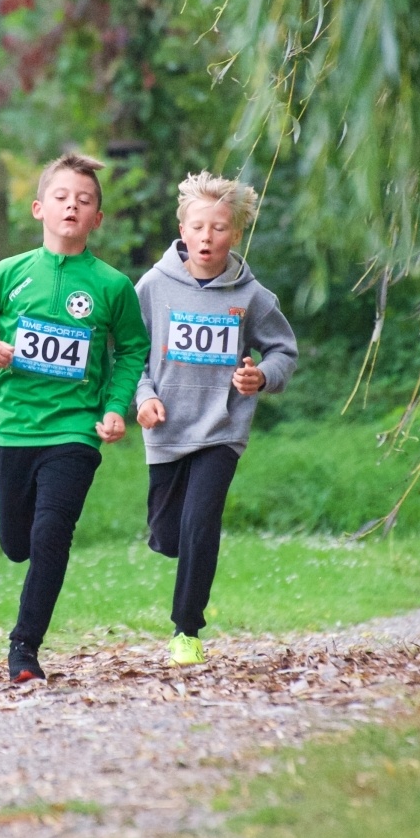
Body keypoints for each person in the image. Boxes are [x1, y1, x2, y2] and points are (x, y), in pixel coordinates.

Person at [0, 153, 150, 683]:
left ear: (97, 218)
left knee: (52, 533)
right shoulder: (11, 273)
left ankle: (24, 649)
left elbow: (132, 349)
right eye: (61, 197)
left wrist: (114, 406)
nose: (71, 207)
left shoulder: (111, 285)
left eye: (84, 200)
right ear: (39, 209)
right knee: (18, 544)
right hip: (15, 428)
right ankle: (26, 554)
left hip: (76, 431)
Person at [134, 171, 298, 666]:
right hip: (166, 428)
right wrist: (143, 397)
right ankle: (175, 544)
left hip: (222, 429)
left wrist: (261, 377)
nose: (208, 237)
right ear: (182, 230)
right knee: (170, 535)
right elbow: (130, 354)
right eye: (199, 227)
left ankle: (186, 630)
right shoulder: (153, 287)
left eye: (220, 228)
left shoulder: (251, 295)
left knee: (200, 523)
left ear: (236, 233)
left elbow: (283, 351)